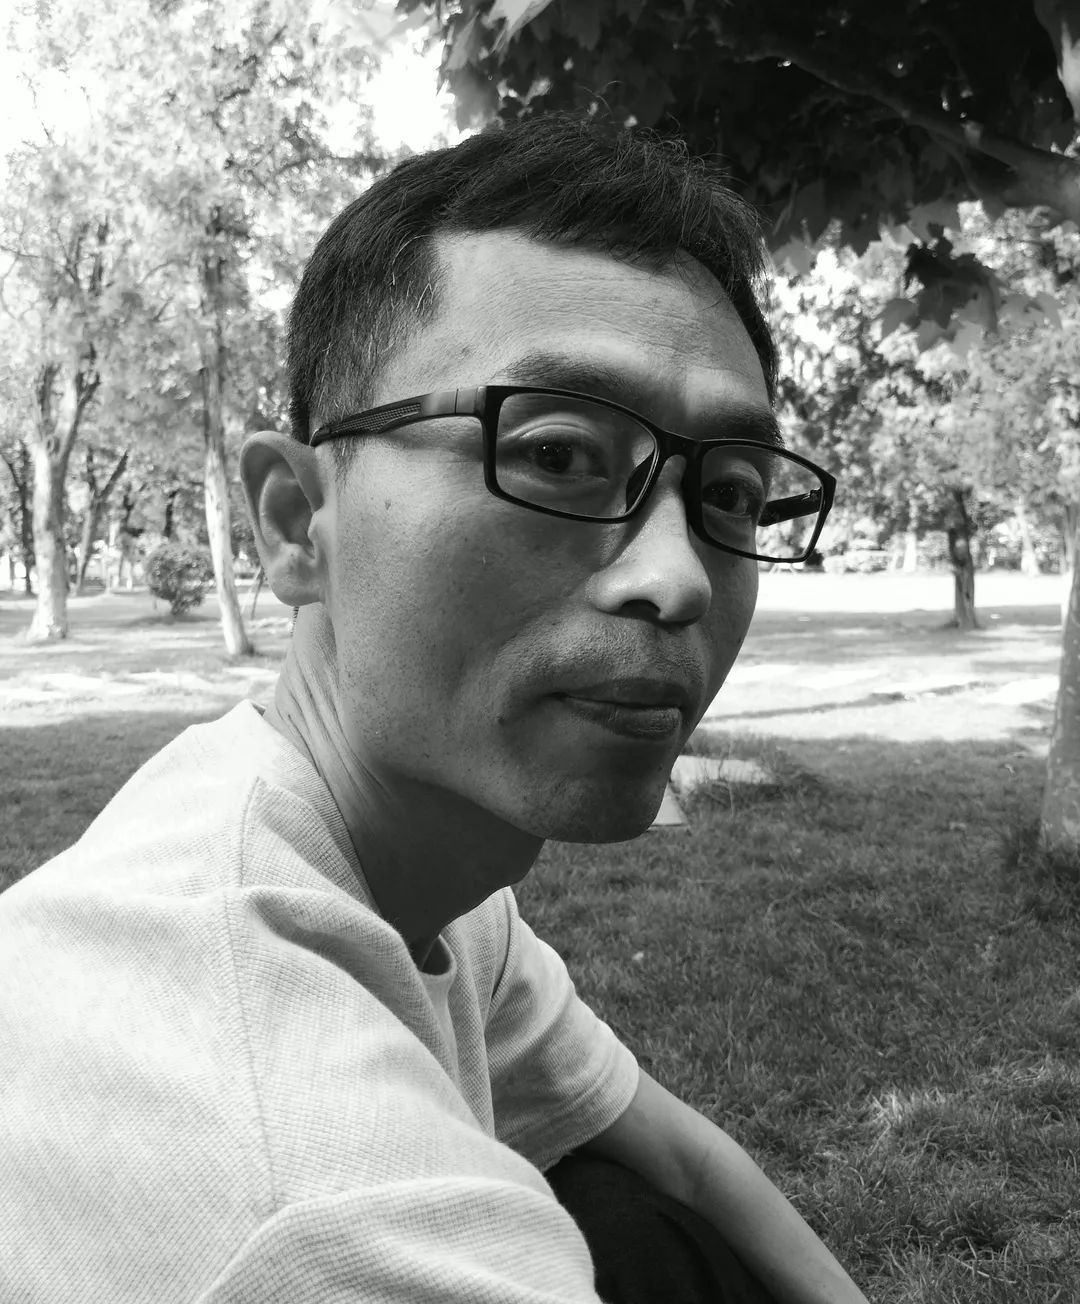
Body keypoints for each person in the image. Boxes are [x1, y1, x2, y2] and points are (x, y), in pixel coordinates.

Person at [0, 113, 853, 1303]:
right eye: (557, 453)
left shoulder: (408, 866)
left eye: (734, 493)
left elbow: (685, 1160)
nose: (679, 579)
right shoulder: (311, 1199)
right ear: (298, 522)